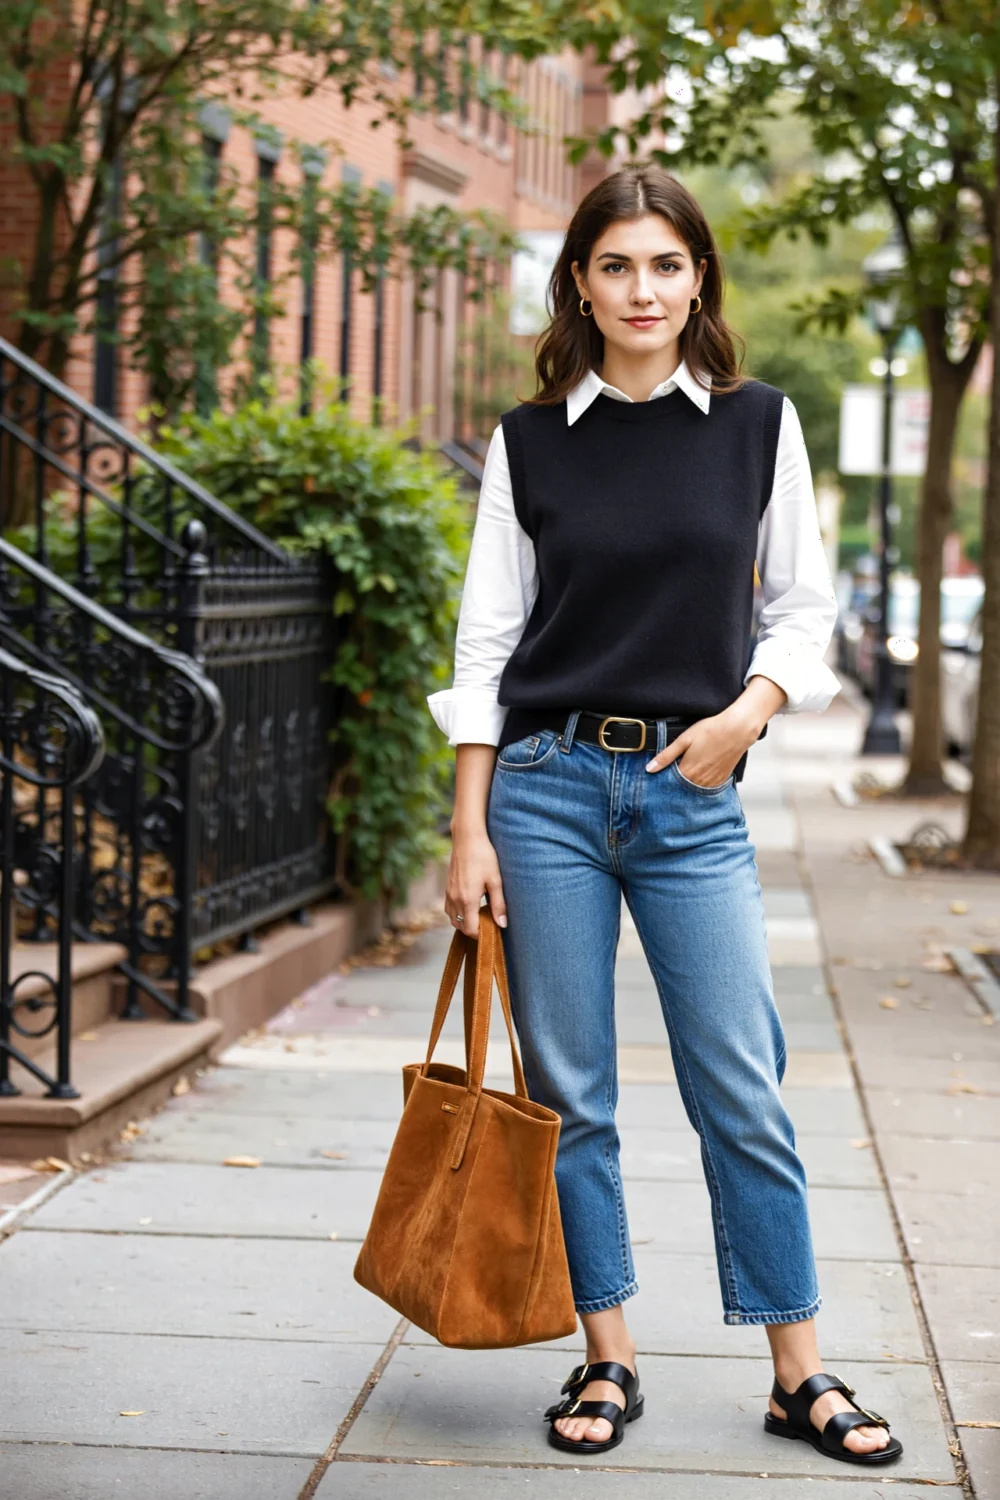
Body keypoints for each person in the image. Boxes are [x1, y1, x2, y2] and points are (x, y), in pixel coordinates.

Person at [426, 164, 902, 1469]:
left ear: (699, 281)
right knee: (571, 1095)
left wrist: (749, 715)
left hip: (695, 795)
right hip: (545, 792)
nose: (643, 290)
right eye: (617, 265)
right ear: (580, 284)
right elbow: (488, 643)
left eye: (667, 265)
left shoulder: (758, 425)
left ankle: (797, 1372)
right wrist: (468, 828)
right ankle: (607, 1352)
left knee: (741, 1085)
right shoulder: (529, 442)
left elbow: (801, 610)